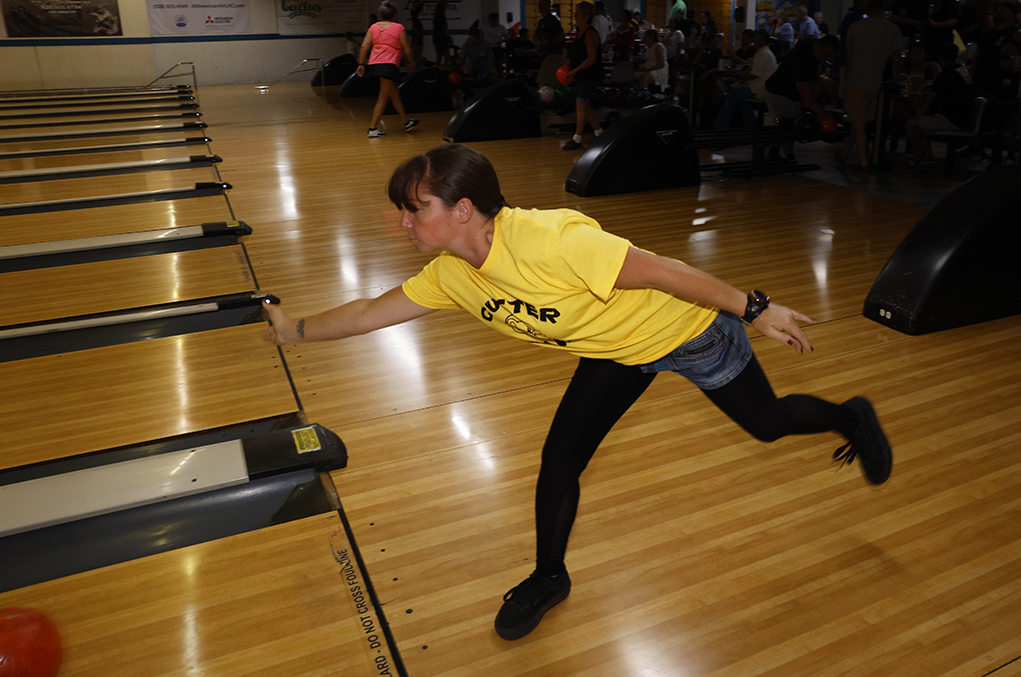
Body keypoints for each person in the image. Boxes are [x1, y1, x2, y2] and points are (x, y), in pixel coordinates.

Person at [262, 143, 893, 642]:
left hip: (688, 332)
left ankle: (852, 419)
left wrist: (752, 307)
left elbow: (664, 272)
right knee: (559, 461)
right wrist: (296, 332)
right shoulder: (453, 275)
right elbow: (373, 311)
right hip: (618, 351)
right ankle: (547, 577)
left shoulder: (552, 239)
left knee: (770, 423)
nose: (403, 222)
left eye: (414, 208)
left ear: (462, 210)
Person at [839, 0, 904, 171]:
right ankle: (844, 155)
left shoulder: (855, 27)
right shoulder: (892, 29)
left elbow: (849, 59)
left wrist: (844, 84)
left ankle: (864, 163)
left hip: (855, 81)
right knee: (858, 122)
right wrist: (898, 77)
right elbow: (897, 59)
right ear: (883, 9)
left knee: (858, 124)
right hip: (875, 81)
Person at [764, 35, 841, 158]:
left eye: (830, 56)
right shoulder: (802, 58)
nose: (827, 60)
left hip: (790, 94)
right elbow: (804, 91)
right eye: (826, 55)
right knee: (785, 124)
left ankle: (774, 151)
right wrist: (820, 112)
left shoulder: (812, 47)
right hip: (779, 93)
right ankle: (789, 157)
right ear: (818, 47)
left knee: (786, 123)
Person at [905, 42, 973, 170]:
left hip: (953, 119)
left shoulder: (945, 75)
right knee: (921, 123)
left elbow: (929, 99)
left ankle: (920, 154)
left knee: (911, 123)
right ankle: (928, 157)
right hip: (966, 117)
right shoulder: (962, 70)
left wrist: (916, 116)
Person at [357, 1, 419, 137]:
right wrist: (412, 62)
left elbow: (364, 47)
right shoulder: (399, 28)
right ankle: (372, 128)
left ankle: (406, 122)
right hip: (388, 65)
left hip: (375, 64)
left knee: (394, 93)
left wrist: (361, 64)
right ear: (395, 15)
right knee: (382, 97)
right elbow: (407, 49)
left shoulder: (373, 27)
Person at [713, 29, 778, 128]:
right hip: (763, 88)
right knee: (741, 99)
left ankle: (720, 125)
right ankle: (750, 122)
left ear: (762, 41)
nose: (753, 42)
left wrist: (743, 79)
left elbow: (754, 75)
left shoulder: (762, 54)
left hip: (758, 90)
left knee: (731, 96)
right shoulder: (766, 53)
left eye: (756, 39)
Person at [561, 1, 604, 150]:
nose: (574, 17)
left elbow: (592, 58)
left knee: (580, 103)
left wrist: (575, 71)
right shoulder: (580, 32)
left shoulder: (590, 33)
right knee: (585, 105)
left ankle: (577, 139)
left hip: (590, 74)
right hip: (581, 73)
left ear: (586, 16)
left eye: (577, 14)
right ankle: (599, 133)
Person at [432, 0, 452, 70]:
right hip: (442, 39)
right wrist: (449, 37)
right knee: (446, 56)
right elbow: (443, 28)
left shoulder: (436, 15)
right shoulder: (441, 15)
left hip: (436, 38)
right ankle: (445, 70)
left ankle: (438, 69)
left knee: (439, 56)